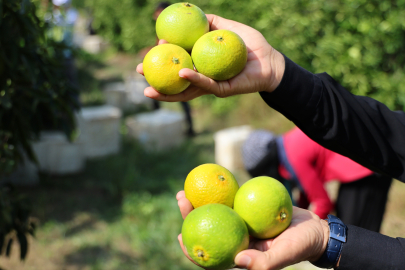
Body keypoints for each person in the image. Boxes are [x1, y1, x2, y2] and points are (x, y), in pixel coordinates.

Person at [137, 14, 405, 270]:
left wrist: (316, 223)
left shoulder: (296, 158)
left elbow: (320, 197)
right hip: (368, 154)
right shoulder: (286, 146)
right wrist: (277, 72)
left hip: (362, 171)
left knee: (360, 223)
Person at [242, 127, 392, 232]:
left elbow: (323, 202)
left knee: (354, 236)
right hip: (363, 167)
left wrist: (301, 229)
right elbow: (307, 191)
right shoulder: (287, 146)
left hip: (366, 169)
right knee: (351, 233)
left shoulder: (294, 157)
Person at [138, 2, 196, 137]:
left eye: (157, 12)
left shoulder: (173, 27)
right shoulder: (165, 27)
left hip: (177, 65)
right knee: (179, 98)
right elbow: (162, 47)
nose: (154, 16)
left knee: (183, 98)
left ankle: (189, 128)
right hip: (169, 64)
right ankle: (161, 123)